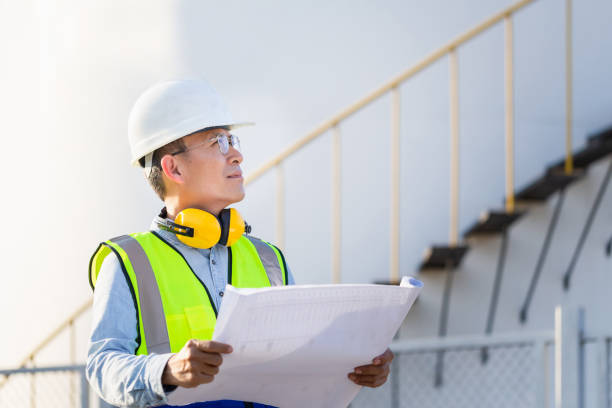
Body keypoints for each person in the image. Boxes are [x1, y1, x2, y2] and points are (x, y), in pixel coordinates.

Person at [86, 79, 393, 408]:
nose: (237, 155)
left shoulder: (268, 258)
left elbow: (298, 362)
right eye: (217, 142)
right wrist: (167, 369)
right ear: (172, 167)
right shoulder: (128, 261)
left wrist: (349, 367)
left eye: (232, 139)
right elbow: (103, 366)